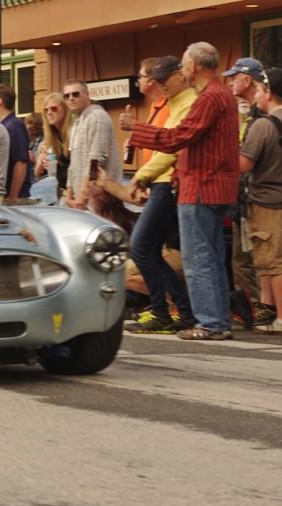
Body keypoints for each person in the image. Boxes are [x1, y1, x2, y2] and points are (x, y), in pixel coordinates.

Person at [120, 42, 240, 341]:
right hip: (215, 187)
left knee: (198, 258)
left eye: (185, 64)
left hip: (200, 187)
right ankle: (218, 320)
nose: (182, 70)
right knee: (210, 256)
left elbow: (179, 138)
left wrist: (136, 129)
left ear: (195, 66)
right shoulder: (222, 94)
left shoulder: (208, 97)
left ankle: (210, 323)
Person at [119, 56, 198, 334]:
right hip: (161, 183)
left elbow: (172, 146)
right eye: (155, 79)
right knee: (146, 249)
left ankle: (173, 310)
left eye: (162, 79)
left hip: (168, 184)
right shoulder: (170, 103)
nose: (158, 84)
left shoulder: (187, 102)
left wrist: (142, 175)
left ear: (180, 75)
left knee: (142, 247)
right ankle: (173, 310)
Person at [239, 66, 282, 334]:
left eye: (258, 89)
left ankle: (280, 318)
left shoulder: (263, 126)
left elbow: (243, 164)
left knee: (274, 262)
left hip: (268, 201)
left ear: (268, 92)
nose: (255, 94)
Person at [224, 57, 265, 322]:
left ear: (247, 79)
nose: (229, 82)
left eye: (234, 77)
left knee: (252, 260)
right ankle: (259, 309)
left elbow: (248, 159)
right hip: (244, 197)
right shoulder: (248, 113)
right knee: (244, 260)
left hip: (257, 196)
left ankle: (264, 308)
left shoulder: (261, 115)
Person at [65, 79, 122, 209]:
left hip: (100, 199)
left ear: (87, 94)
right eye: (67, 96)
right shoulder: (76, 123)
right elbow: (72, 166)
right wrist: (69, 195)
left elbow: (95, 161)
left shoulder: (98, 117)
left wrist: (81, 198)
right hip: (81, 200)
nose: (71, 98)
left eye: (75, 94)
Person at [0, 84, 33, 204]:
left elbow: (21, 162)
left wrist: (13, 194)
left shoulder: (14, 125)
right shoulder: (1, 125)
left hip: (13, 195)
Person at [32, 93, 71, 205]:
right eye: (46, 110)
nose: (49, 112)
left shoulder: (74, 134)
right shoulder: (50, 139)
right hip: (58, 195)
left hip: (75, 196)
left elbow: (79, 169)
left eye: (54, 109)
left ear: (65, 110)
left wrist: (59, 162)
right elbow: (37, 173)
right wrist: (40, 162)